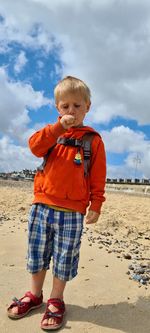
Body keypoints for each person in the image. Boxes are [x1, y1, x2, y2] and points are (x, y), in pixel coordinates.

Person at [7, 76, 106, 330]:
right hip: (42, 206)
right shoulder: (52, 133)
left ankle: (56, 299)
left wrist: (96, 203)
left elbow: (97, 175)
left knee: (64, 258)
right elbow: (34, 146)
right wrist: (58, 127)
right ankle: (35, 295)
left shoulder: (93, 140)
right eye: (65, 106)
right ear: (57, 108)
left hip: (72, 212)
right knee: (37, 255)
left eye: (77, 105)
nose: (71, 111)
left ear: (87, 107)